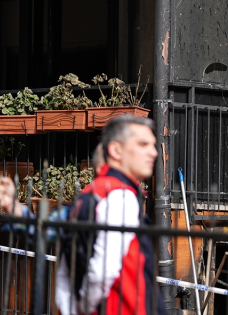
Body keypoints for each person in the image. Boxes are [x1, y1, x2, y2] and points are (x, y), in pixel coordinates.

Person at [55, 116, 165, 315]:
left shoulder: (87, 195)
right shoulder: (121, 196)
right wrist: (85, 307)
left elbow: (65, 268)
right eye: (143, 144)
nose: (153, 152)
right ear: (116, 150)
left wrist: (73, 308)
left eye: (153, 145)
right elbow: (103, 270)